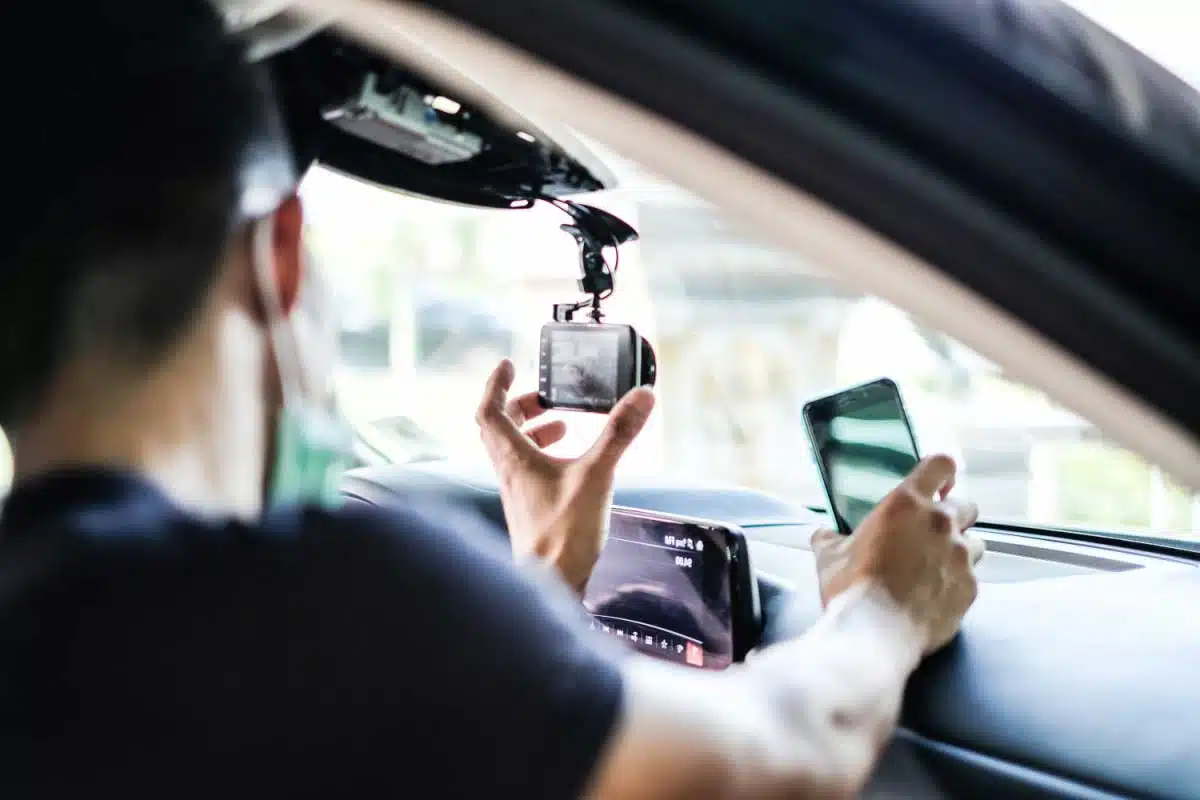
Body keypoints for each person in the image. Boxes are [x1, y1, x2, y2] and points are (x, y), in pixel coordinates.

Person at [0, 2, 981, 798]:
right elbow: (768, 760)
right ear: (278, 256)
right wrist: (887, 604)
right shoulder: (314, 595)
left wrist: (544, 570)